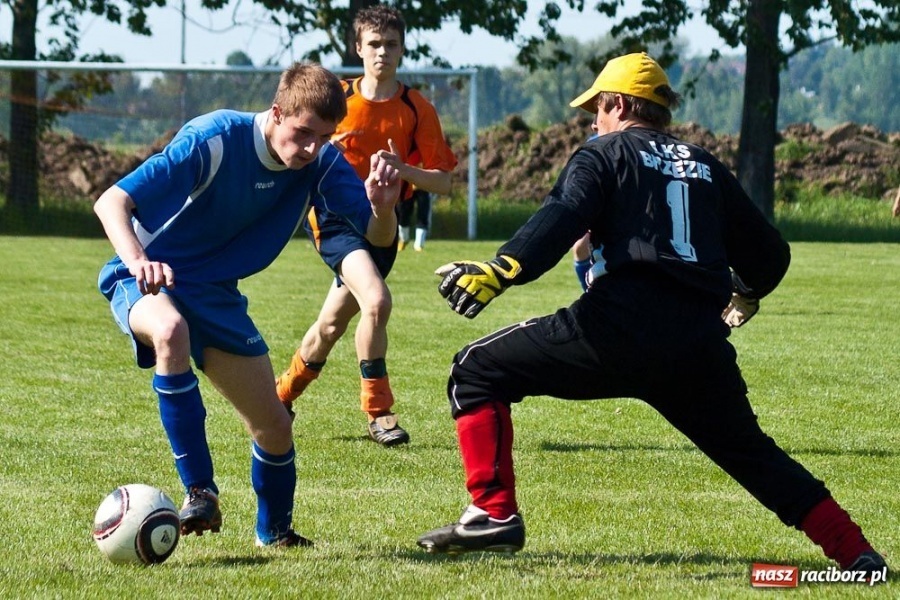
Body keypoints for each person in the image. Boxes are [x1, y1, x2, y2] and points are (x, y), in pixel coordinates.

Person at [415, 53, 888, 577]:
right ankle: (856, 554)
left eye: (597, 109)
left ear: (617, 104)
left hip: (615, 327)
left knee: (477, 370)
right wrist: (746, 292)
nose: (593, 121)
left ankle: (493, 513)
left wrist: (503, 268)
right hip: (697, 340)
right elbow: (771, 254)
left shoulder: (604, 153)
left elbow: (563, 215)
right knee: (754, 456)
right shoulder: (708, 166)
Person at [94, 62, 401, 548]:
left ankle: (275, 534)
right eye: (302, 134)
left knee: (275, 425)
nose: (311, 149)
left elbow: (376, 238)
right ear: (277, 112)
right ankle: (200, 491)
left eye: (324, 138)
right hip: (150, 276)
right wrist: (138, 261)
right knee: (171, 331)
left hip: (216, 295)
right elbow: (111, 202)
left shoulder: (320, 161)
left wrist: (383, 207)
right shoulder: (214, 138)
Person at [275, 4, 457, 446]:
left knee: (329, 327)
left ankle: (278, 397)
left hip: (383, 223)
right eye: (373, 44)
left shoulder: (416, 107)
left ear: (402, 49)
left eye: (390, 44)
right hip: (335, 224)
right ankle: (380, 412)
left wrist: (403, 170)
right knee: (376, 301)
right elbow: (291, 139)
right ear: (358, 47)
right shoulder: (336, 98)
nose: (382, 53)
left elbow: (446, 182)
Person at [398, 185, 433, 252]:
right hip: (407, 185)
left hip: (423, 185)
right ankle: (404, 239)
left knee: (423, 214)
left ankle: (419, 244)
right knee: (402, 214)